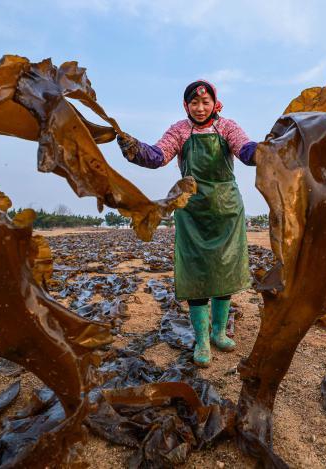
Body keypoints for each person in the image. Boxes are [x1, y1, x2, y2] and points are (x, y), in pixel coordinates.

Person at [117, 79, 257, 367]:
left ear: (213, 102)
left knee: (223, 271)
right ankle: (202, 339)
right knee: (195, 274)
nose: (200, 107)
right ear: (186, 105)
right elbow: (157, 156)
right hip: (191, 212)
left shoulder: (227, 127)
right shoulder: (180, 130)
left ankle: (219, 332)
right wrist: (133, 147)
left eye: (205, 102)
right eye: (194, 103)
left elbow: (245, 151)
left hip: (226, 211)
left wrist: (265, 150)